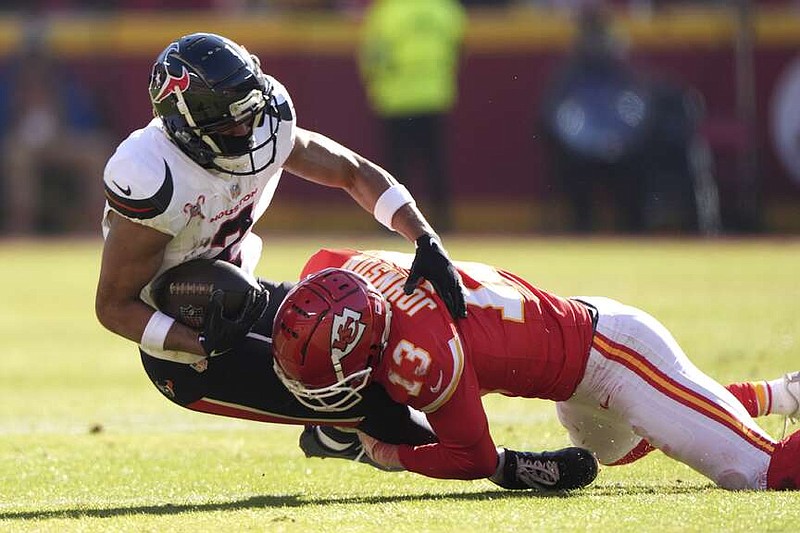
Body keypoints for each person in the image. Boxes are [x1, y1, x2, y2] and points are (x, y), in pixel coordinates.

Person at [93, 32, 588, 491]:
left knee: (376, 331)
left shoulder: (264, 125)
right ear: (189, 121)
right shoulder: (153, 174)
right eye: (233, 117)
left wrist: (424, 237)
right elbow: (113, 305)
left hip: (243, 294)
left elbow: (351, 172)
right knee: (371, 401)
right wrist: (195, 341)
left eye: (250, 108)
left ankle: (331, 434)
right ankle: (503, 467)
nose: (250, 125)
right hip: (183, 345)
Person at [271, 248, 800, 490]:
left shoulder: (427, 355)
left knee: (755, 473)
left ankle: (727, 414)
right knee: (618, 448)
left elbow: (474, 458)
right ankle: (779, 395)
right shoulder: (332, 271)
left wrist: (388, 452)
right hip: (578, 368)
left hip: (616, 355)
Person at [358, 0, 466, 232]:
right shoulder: (446, 9)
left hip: (395, 99)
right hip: (434, 96)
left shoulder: (386, 12)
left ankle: (392, 224)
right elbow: (457, 49)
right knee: (435, 165)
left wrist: (375, 85)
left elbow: (373, 55)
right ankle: (443, 221)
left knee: (395, 170)